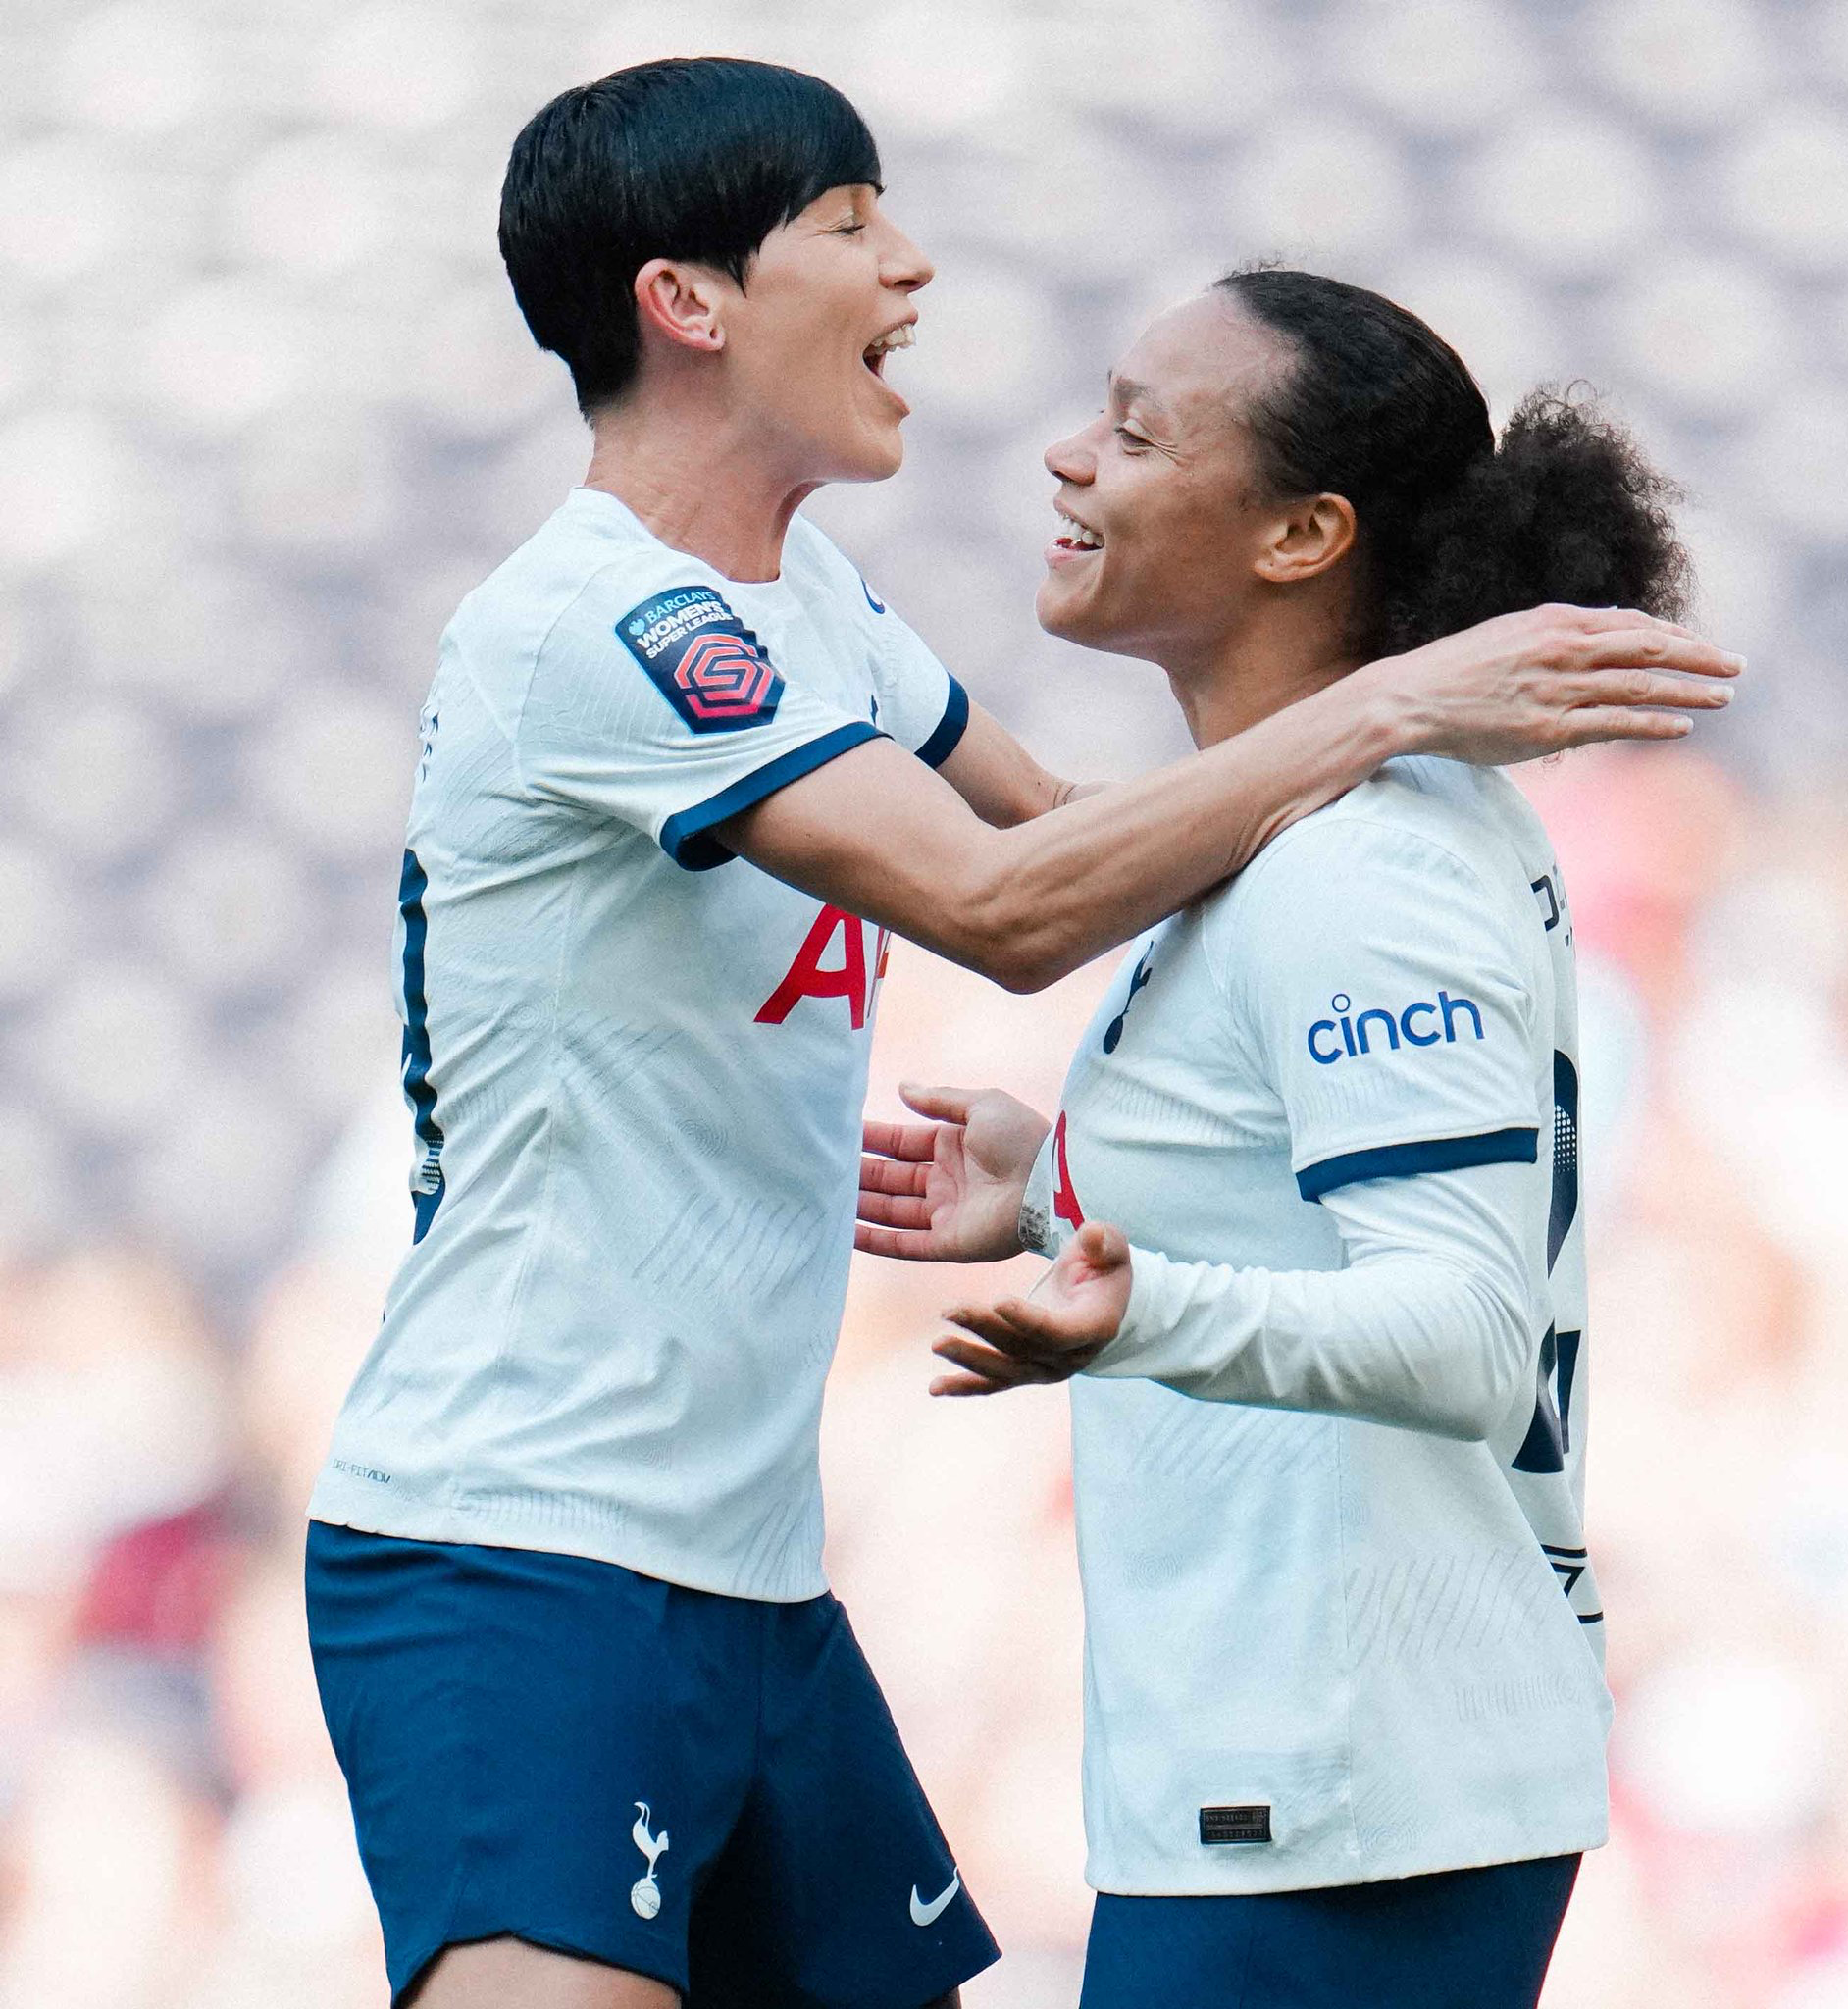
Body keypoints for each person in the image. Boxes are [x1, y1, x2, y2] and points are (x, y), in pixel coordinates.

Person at [304, 55, 1738, 2009]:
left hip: (748, 1563)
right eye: (847, 223)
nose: (910, 264)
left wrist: (1079, 1170)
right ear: (687, 301)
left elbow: (1085, 841)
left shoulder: (814, 604)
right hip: (522, 1543)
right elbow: (1004, 907)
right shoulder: (602, 630)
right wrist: (1394, 704)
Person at [858, 269, 1696, 2008]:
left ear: (1304, 534)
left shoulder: (1361, 867)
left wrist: (1140, 1309)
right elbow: (1312, 1207)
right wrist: (1061, 1199)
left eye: (1137, 431)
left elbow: (1462, 1334)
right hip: (1310, 1785)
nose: (1068, 457)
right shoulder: (1312, 831)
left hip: (1345, 1800)